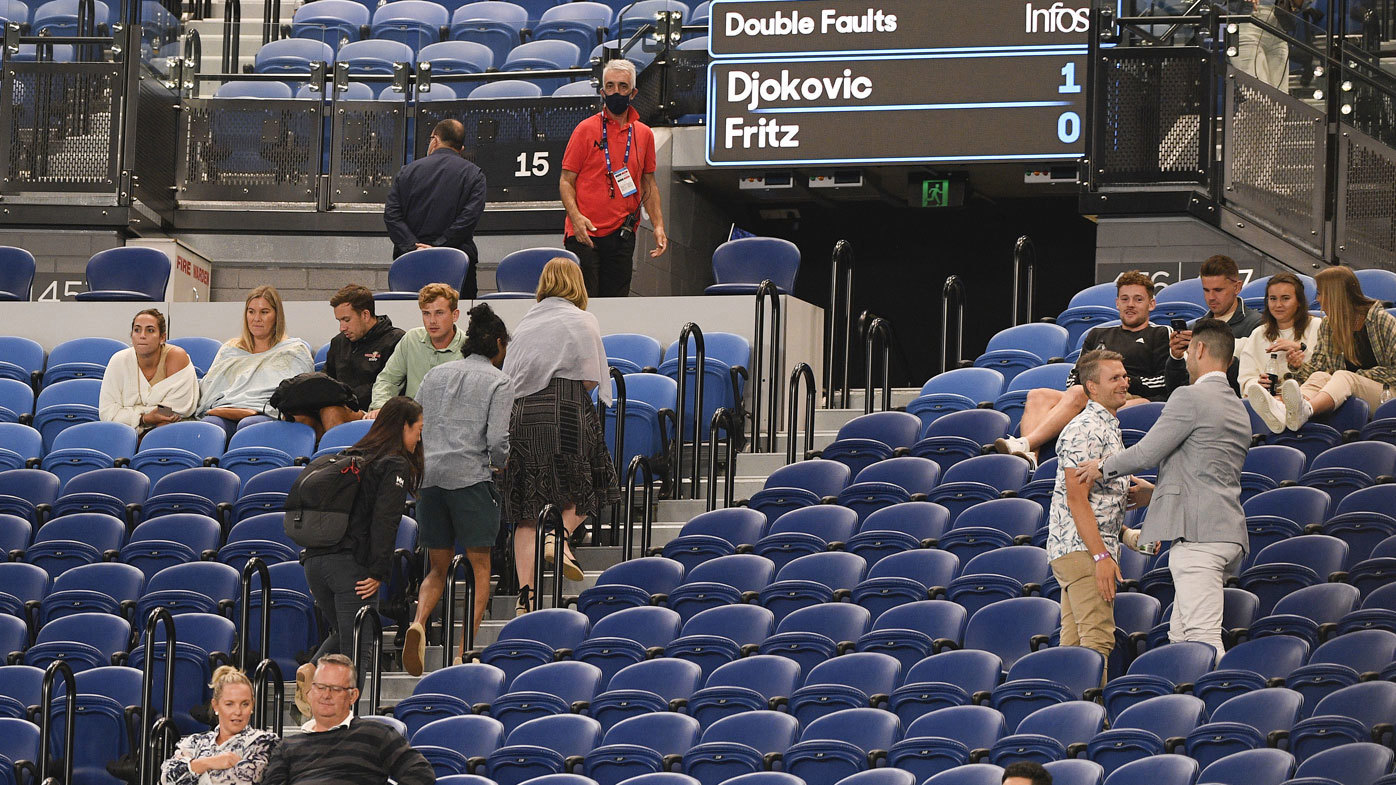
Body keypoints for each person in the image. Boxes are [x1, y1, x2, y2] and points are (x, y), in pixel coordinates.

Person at [1077, 319, 1251, 655]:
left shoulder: (1189, 396)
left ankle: (1211, 704)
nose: (1185, 360)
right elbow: (1205, 474)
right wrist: (1154, 492)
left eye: (1188, 352)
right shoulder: (1237, 405)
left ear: (1199, 349)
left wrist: (1100, 467)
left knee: (1202, 639)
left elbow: (1148, 451)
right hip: (1225, 529)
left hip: (1200, 536)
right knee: (1181, 636)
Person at [501, 258, 618, 615]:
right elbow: (590, 378)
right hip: (564, 407)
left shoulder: (525, 322)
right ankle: (558, 535)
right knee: (586, 484)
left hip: (520, 415)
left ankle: (527, 599)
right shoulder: (582, 319)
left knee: (524, 512)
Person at [403, 304, 513, 676]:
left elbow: (413, 423)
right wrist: (501, 461)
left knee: (437, 565)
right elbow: (498, 440)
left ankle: (419, 620)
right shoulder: (499, 382)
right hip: (470, 479)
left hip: (430, 479)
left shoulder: (434, 374)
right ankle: (462, 650)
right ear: (498, 344)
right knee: (480, 567)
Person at [293, 396, 421, 717]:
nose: (420, 437)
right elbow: (386, 521)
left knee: (343, 633)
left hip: (315, 562)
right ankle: (342, 721)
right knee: (358, 651)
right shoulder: (393, 463)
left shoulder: (352, 455)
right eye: (417, 429)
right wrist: (378, 571)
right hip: (351, 567)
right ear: (402, 426)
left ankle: (311, 670)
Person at [994, 270, 1172, 469]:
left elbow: (1167, 380)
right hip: (1092, 395)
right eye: (1125, 299)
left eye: (1138, 299)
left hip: (1134, 397)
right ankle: (1030, 460)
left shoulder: (1161, 333)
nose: (1130, 304)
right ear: (1117, 303)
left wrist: (1122, 381)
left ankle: (1025, 442)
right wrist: (1093, 390)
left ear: (1151, 304)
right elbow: (1075, 376)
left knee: (1080, 391)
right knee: (1038, 395)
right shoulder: (1097, 334)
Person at [1047, 349, 1135, 670]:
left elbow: (1101, 494)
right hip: (1085, 550)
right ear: (1092, 388)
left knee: (1072, 645)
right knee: (1098, 641)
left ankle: (1066, 716)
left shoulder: (1107, 426)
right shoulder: (1085, 428)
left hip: (1080, 548)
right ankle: (1093, 720)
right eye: (1115, 378)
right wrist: (1101, 556)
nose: (1125, 382)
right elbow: (1076, 497)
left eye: (1124, 376)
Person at [559, 58, 667, 298]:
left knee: (616, 305)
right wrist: (576, 219)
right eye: (610, 86)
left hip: (622, 235)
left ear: (634, 92)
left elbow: (648, 183)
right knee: (584, 306)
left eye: (622, 86)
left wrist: (659, 225)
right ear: (602, 91)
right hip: (584, 234)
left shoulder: (644, 134)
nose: (615, 92)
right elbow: (566, 180)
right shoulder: (585, 129)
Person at [1253, 265, 1396, 433]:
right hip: (1348, 390)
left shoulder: (1380, 320)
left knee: (1343, 376)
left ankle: (1307, 410)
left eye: (1320, 293)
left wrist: (1357, 377)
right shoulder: (1329, 325)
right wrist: (1298, 367)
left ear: (1335, 295)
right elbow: (1319, 368)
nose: (1318, 300)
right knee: (1320, 376)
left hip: (1388, 393)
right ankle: (1284, 409)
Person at [262, 654, 434, 785]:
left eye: (336, 689)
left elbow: (420, 773)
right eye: (321, 687)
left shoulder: (376, 734)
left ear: (353, 696)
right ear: (310, 692)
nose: (326, 695)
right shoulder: (286, 747)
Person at [384, 119, 486, 299]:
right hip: (457, 263)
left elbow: (392, 216)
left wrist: (413, 247)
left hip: (410, 263)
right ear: (461, 149)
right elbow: (468, 219)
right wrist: (439, 247)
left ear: (435, 140)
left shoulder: (407, 171)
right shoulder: (474, 174)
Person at [197, 285, 315, 440]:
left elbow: (296, 397)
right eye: (251, 311)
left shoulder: (294, 351)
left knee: (250, 424)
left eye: (264, 312)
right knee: (210, 425)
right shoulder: (230, 349)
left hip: (266, 414)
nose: (256, 319)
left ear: (277, 316)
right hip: (226, 410)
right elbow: (211, 388)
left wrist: (254, 408)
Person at [161, 666, 278, 785]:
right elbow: (166, 777)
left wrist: (193, 766)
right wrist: (209, 762)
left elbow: (242, 780)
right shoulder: (194, 742)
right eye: (229, 704)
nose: (238, 712)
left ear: (252, 705)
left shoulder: (264, 742)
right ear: (215, 705)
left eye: (245, 704)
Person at [1165, 255, 1264, 394]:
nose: (1211, 297)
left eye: (1218, 290)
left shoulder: (1258, 327)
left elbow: (1255, 382)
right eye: (1206, 290)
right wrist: (1176, 357)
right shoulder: (1194, 329)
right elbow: (1175, 390)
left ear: (1237, 287)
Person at [368, 283, 465, 416]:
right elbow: (388, 380)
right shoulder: (411, 339)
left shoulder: (468, 347)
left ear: (455, 315)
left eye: (439, 313)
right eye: (426, 313)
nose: (432, 321)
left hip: (451, 424)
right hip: (411, 422)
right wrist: (380, 407)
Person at [99, 308, 200, 432]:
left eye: (150, 330)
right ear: (131, 336)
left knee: (163, 428)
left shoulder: (176, 357)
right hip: (124, 432)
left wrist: (130, 413)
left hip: (172, 429)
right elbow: (107, 412)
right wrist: (145, 418)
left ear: (162, 338)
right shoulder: (118, 360)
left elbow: (173, 411)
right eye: (137, 330)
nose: (142, 336)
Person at [1239, 272, 1322, 405]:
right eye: (1273, 299)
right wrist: (1257, 384)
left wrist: (1301, 351)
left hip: (1307, 401)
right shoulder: (1258, 334)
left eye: (1285, 298)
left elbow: (1327, 372)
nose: (1278, 305)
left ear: (1299, 302)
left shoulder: (1317, 326)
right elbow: (1245, 378)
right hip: (1266, 402)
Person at [323, 283, 405, 415]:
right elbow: (326, 379)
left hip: (377, 413)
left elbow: (392, 385)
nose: (342, 328)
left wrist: (343, 398)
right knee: (299, 415)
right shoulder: (338, 342)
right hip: (340, 406)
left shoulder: (396, 340)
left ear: (365, 315)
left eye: (346, 320)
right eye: (339, 321)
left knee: (332, 412)